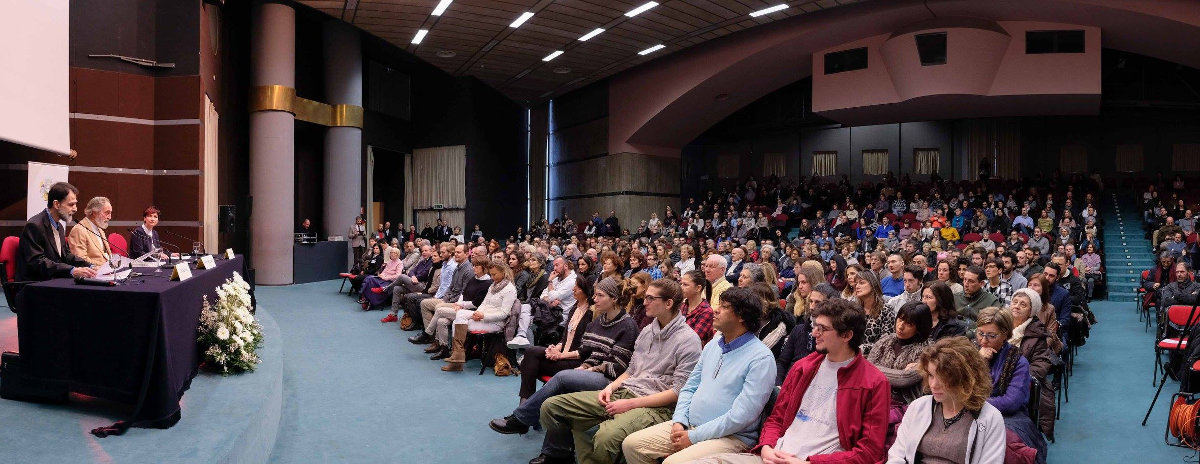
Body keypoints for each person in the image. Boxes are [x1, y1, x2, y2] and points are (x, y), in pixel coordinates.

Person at [689, 298, 889, 464]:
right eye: (815, 326)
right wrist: (767, 446)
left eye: (822, 329)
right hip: (773, 455)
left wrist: (810, 462)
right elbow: (776, 418)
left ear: (847, 335)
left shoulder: (873, 382)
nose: (814, 333)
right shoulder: (804, 367)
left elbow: (869, 451)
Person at [537, 279, 702, 464]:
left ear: (668, 303)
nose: (644, 302)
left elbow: (677, 392)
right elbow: (631, 370)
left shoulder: (688, 340)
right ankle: (568, 452)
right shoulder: (648, 330)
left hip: (657, 406)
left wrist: (630, 404)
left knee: (605, 438)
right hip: (626, 392)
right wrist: (611, 388)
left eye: (650, 298)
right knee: (552, 407)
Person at [621, 287, 777, 464]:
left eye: (724, 307)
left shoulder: (761, 358)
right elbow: (689, 387)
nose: (716, 310)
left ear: (741, 317)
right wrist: (679, 420)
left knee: (673, 463)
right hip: (690, 425)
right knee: (632, 445)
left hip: (731, 437)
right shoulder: (713, 346)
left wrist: (694, 436)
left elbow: (741, 416)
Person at [490, 277, 638, 436]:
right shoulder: (597, 322)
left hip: (608, 379)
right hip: (589, 371)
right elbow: (589, 352)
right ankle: (530, 422)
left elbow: (617, 366)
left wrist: (586, 370)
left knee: (562, 378)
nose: (595, 299)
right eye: (595, 295)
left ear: (614, 298)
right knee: (533, 357)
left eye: (600, 295)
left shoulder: (627, 326)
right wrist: (583, 367)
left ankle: (521, 418)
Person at [886, 337, 1007, 464]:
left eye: (943, 377)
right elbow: (897, 455)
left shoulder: (990, 418)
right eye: (931, 375)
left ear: (966, 377)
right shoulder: (918, 406)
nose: (933, 384)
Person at [975, 307, 1046, 462]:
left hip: (1007, 416)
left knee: (1001, 444)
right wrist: (977, 361)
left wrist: (973, 403)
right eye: (980, 333)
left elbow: (1011, 402)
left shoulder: (1018, 362)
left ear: (1006, 334)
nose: (983, 340)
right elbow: (957, 385)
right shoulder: (970, 354)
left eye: (991, 335)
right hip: (970, 411)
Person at [442, 260, 518, 371]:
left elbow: (504, 314)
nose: (492, 277)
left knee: (456, 323)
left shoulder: (510, 289)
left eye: (494, 274)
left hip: (496, 323)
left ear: (503, 272)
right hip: (483, 316)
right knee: (460, 314)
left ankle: (457, 357)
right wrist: (478, 313)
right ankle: (457, 355)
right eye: (491, 274)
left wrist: (483, 316)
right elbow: (484, 303)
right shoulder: (494, 285)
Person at [16, 182, 96, 281]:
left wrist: (91, 266)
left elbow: (66, 255)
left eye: (75, 204)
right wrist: (72, 270)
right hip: (34, 284)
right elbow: (37, 262)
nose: (75, 209)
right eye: (71, 204)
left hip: (52, 280)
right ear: (56, 204)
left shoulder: (59, 226)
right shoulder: (34, 226)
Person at [1010, 288, 1059, 439]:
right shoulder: (999, 325)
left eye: (1023, 304)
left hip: (1020, 385)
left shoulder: (1037, 335)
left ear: (1032, 311)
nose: (1017, 306)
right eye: (1015, 302)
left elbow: (1040, 366)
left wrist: (1014, 379)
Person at [866, 301, 933, 405]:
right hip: (875, 396)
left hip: (904, 404)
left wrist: (873, 369)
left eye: (909, 324)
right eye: (900, 319)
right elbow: (867, 369)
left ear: (919, 327)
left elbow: (904, 379)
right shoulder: (885, 340)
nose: (901, 326)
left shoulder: (927, 351)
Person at [67, 196, 114, 266]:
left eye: (110, 213)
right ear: (94, 213)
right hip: (91, 274)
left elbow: (105, 255)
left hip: (106, 272)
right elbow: (80, 259)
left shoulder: (100, 229)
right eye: (107, 213)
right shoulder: (79, 230)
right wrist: (104, 266)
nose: (109, 217)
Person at [680, 270, 715, 345]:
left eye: (685, 285)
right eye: (681, 284)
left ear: (698, 288)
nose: (681, 287)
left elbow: (692, 340)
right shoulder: (682, 306)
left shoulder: (706, 311)